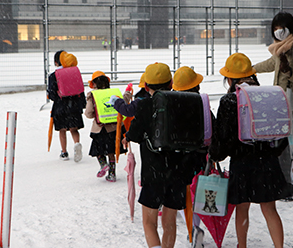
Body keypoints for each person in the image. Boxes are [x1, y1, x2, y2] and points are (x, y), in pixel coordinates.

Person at [209, 53, 288, 248]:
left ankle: (242, 245)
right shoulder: (266, 95)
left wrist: (215, 154)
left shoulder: (229, 101)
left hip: (242, 162)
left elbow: (223, 137)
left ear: (230, 78)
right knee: (270, 208)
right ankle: (279, 246)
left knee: (242, 208)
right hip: (267, 161)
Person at [123, 62, 191, 248]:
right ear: (171, 83)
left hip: (153, 173)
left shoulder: (145, 105)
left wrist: (127, 136)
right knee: (169, 223)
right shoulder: (182, 102)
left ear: (146, 86)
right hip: (178, 171)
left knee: (149, 223)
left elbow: (135, 134)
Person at [253, 11, 293, 201]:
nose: (278, 32)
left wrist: (289, 73)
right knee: (282, 146)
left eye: (282, 29)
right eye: (275, 29)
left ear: (291, 28)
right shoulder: (282, 49)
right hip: (281, 104)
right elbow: (272, 63)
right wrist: (250, 69)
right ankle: (286, 184)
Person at [172, 66, 211, 248]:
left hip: (179, 159)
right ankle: (195, 226)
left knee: (182, 195)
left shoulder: (172, 107)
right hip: (200, 158)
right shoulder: (203, 107)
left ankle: (192, 229)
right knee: (196, 195)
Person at [85, 71, 126, 182]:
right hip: (113, 128)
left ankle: (103, 164)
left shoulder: (93, 95)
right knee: (111, 151)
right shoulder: (113, 93)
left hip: (99, 128)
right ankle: (112, 174)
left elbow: (88, 113)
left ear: (93, 84)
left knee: (98, 150)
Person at [47, 50, 86, 161]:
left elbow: (52, 94)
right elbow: (81, 89)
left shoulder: (53, 76)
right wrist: (82, 104)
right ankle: (77, 143)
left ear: (56, 63)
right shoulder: (74, 73)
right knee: (74, 129)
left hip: (60, 106)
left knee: (62, 130)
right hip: (74, 105)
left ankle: (64, 152)